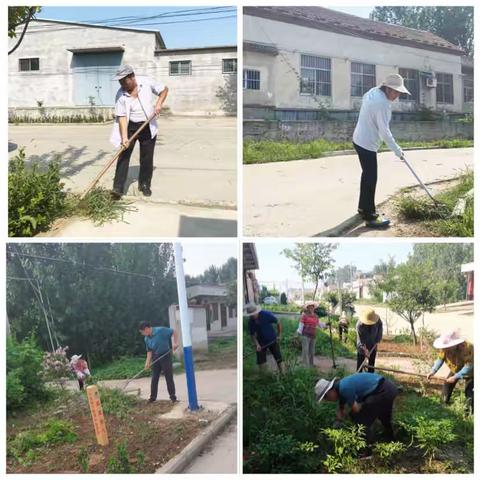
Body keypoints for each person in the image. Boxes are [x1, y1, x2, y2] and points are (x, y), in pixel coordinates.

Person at [352, 74, 410, 228]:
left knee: (367, 176)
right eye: (396, 92)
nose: (397, 96)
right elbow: (385, 132)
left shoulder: (373, 92)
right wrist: (397, 150)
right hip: (366, 143)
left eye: (399, 93)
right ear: (388, 88)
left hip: (358, 139)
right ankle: (370, 216)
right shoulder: (382, 103)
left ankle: (363, 207)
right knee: (371, 178)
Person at [110, 65, 169, 199]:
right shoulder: (120, 95)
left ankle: (144, 184)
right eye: (119, 81)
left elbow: (164, 89)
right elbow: (122, 117)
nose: (121, 84)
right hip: (130, 126)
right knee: (124, 155)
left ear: (132, 76)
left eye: (124, 81)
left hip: (147, 125)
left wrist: (159, 103)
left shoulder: (146, 82)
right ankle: (118, 188)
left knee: (147, 157)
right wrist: (124, 138)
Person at [315, 372, 398, 447]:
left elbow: (357, 409)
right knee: (383, 415)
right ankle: (391, 438)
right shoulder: (340, 386)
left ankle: (366, 448)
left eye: (326, 397)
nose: (328, 400)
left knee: (360, 419)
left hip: (383, 391)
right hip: (388, 388)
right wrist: (339, 417)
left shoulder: (344, 389)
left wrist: (347, 419)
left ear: (330, 391)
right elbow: (341, 408)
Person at [427, 331, 474, 413]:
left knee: (469, 391)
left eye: (448, 347)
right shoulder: (444, 348)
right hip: (455, 369)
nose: (445, 349)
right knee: (447, 386)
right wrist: (433, 371)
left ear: (454, 345)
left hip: (471, 371)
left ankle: (469, 412)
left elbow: (468, 366)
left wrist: (456, 376)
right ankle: (443, 406)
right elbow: (440, 359)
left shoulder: (467, 347)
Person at [138, 321, 178, 403]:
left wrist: (175, 343)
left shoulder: (161, 330)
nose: (142, 334)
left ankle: (173, 397)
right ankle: (152, 397)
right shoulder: (146, 338)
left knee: (168, 377)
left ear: (146, 329)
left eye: (142, 332)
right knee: (154, 377)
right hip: (155, 357)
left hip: (165, 356)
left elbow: (174, 331)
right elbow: (149, 351)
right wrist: (147, 363)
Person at [245, 302, 285, 373]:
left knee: (279, 358)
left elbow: (278, 322)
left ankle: (283, 374)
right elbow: (252, 335)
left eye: (253, 314)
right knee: (261, 362)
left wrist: (279, 335)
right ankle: (264, 377)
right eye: (251, 315)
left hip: (272, 340)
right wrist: (257, 344)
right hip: (261, 343)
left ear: (257, 311)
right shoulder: (251, 321)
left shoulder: (266, 314)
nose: (252, 316)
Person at [298, 301, 326, 367]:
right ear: (307, 308)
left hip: (313, 335)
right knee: (305, 350)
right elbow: (301, 325)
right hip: (305, 335)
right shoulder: (304, 315)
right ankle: (305, 366)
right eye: (309, 307)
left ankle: (311, 364)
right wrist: (299, 333)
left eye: (312, 307)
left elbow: (319, 324)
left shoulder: (316, 316)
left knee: (312, 351)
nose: (311, 308)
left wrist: (326, 324)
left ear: (314, 308)